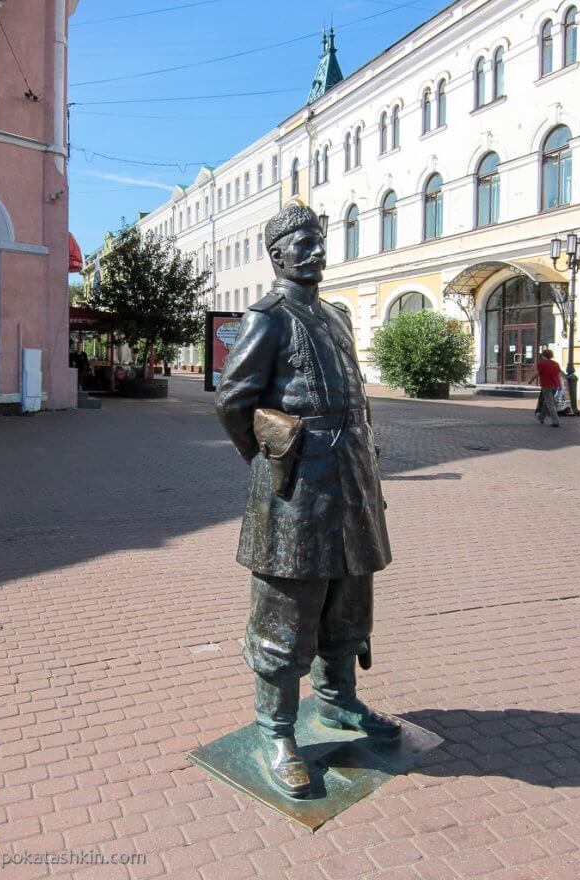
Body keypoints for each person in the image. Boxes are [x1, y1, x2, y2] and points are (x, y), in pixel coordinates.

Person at [215, 203, 400, 800]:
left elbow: (358, 400)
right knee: (287, 612)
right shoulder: (268, 318)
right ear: (278, 256)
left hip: (349, 481)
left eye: (319, 241)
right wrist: (273, 461)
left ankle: (340, 700)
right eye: (303, 244)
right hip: (296, 487)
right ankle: (277, 732)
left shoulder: (337, 318)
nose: (316, 251)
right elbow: (233, 402)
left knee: (348, 599)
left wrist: (365, 470)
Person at [528, 349, 567, 427]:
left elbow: (537, 373)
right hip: (555, 386)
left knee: (550, 403)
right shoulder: (556, 364)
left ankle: (556, 421)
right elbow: (558, 376)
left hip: (546, 386)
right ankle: (541, 417)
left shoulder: (542, 364)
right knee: (547, 402)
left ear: (543, 355)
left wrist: (531, 380)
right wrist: (560, 386)